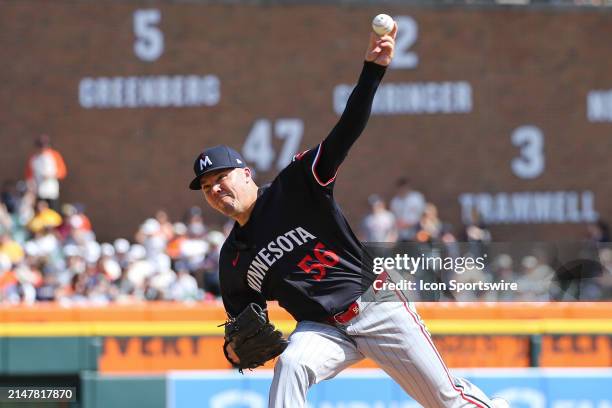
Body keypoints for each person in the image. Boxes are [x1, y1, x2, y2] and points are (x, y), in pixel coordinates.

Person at [189, 23, 504, 408]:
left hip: (374, 305)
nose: (217, 189)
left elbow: (346, 129)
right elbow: (240, 327)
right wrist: (236, 351)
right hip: (322, 330)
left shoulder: (297, 186)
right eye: (208, 188)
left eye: (222, 178)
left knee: (444, 399)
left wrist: (373, 71)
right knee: (290, 366)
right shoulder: (233, 258)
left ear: (246, 173)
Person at [25, 134, 67, 212]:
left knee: (53, 212)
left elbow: (62, 172)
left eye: (45, 146)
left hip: (51, 191)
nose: (43, 148)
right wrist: (31, 188)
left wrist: (51, 175)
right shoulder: (33, 159)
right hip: (39, 191)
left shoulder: (54, 156)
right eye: (40, 146)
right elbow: (29, 176)